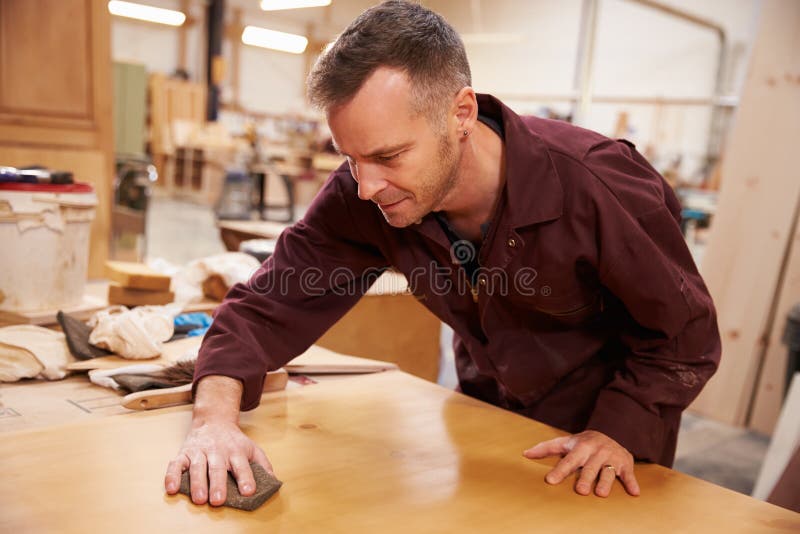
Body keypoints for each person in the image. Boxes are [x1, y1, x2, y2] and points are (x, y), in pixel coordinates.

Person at [165, 0, 721, 505]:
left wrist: (618, 428)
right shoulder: (363, 195)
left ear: (461, 114)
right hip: (486, 419)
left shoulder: (596, 184)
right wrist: (214, 420)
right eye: (351, 158)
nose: (366, 186)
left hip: (604, 444)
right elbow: (267, 306)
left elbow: (685, 335)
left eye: (389, 156)